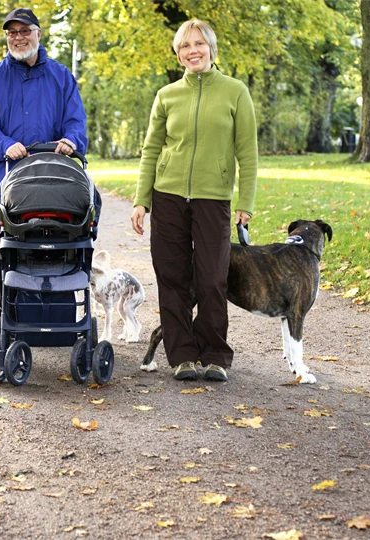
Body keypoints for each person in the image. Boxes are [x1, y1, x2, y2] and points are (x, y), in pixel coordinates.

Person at [130, 19, 258, 383]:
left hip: (213, 198)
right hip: (167, 196)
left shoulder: (235, 92)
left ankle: (216, 354)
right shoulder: (167, 95)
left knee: (212, 278)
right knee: (171, 277)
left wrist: (244, 201)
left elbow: (247, 152)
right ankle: (182, 356)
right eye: (186, 46)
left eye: (199, 44)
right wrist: (142, 200)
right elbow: (151, 149)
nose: (193, 51)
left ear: (211, 49)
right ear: (178, 53)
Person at [0, 7, 93, 308]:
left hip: (55, 178)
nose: (18, 37)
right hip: (9, 178)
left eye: (24, 31)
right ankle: (9, 311)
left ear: (38, 35)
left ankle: (66, 301)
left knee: (82, 222)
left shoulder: (61, 76)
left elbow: (76, 120)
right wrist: (5, 144)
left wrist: (72, 140)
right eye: (12, 32)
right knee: (5, 248)